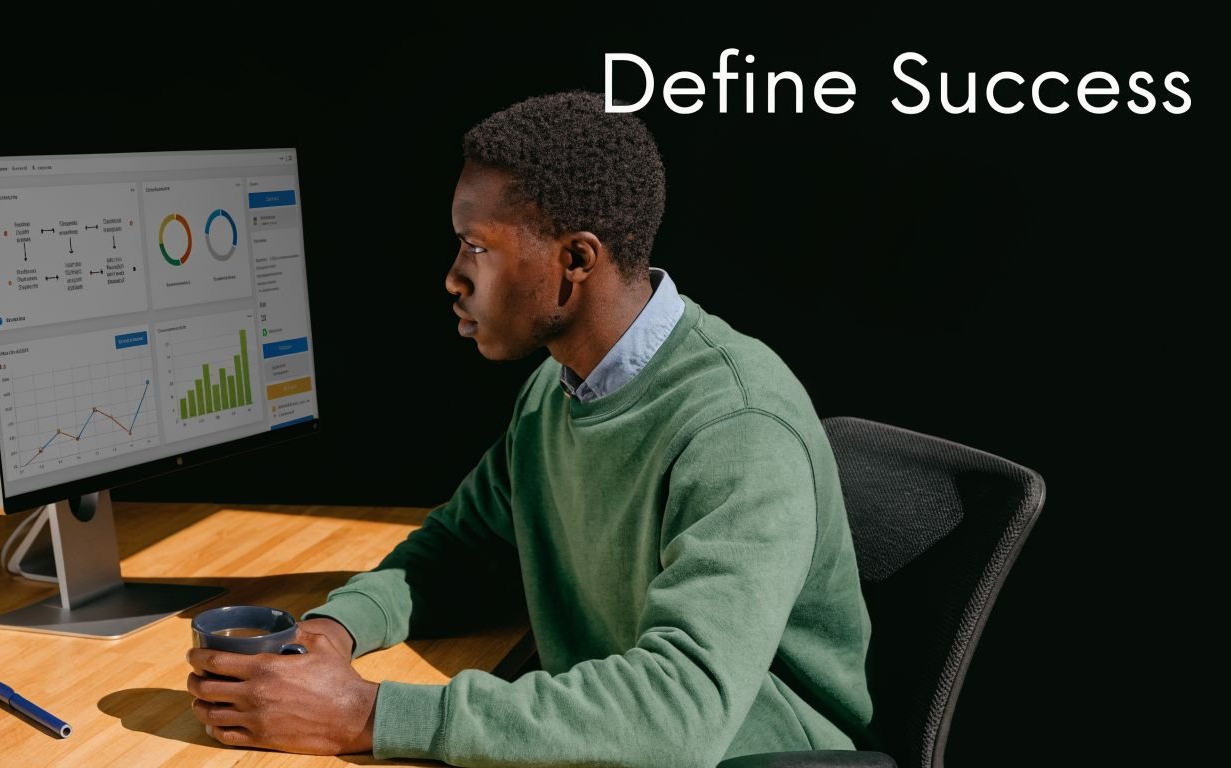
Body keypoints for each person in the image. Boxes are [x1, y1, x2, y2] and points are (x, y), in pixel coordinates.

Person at [187, 90, 874, 766]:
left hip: (754, 755)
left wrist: (365, 712)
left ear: (575, 260)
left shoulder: (736, 427)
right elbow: (459, 553)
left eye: (475, 248)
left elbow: (678, 712)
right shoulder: (555, 391)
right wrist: (334, 633)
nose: (453, 278)